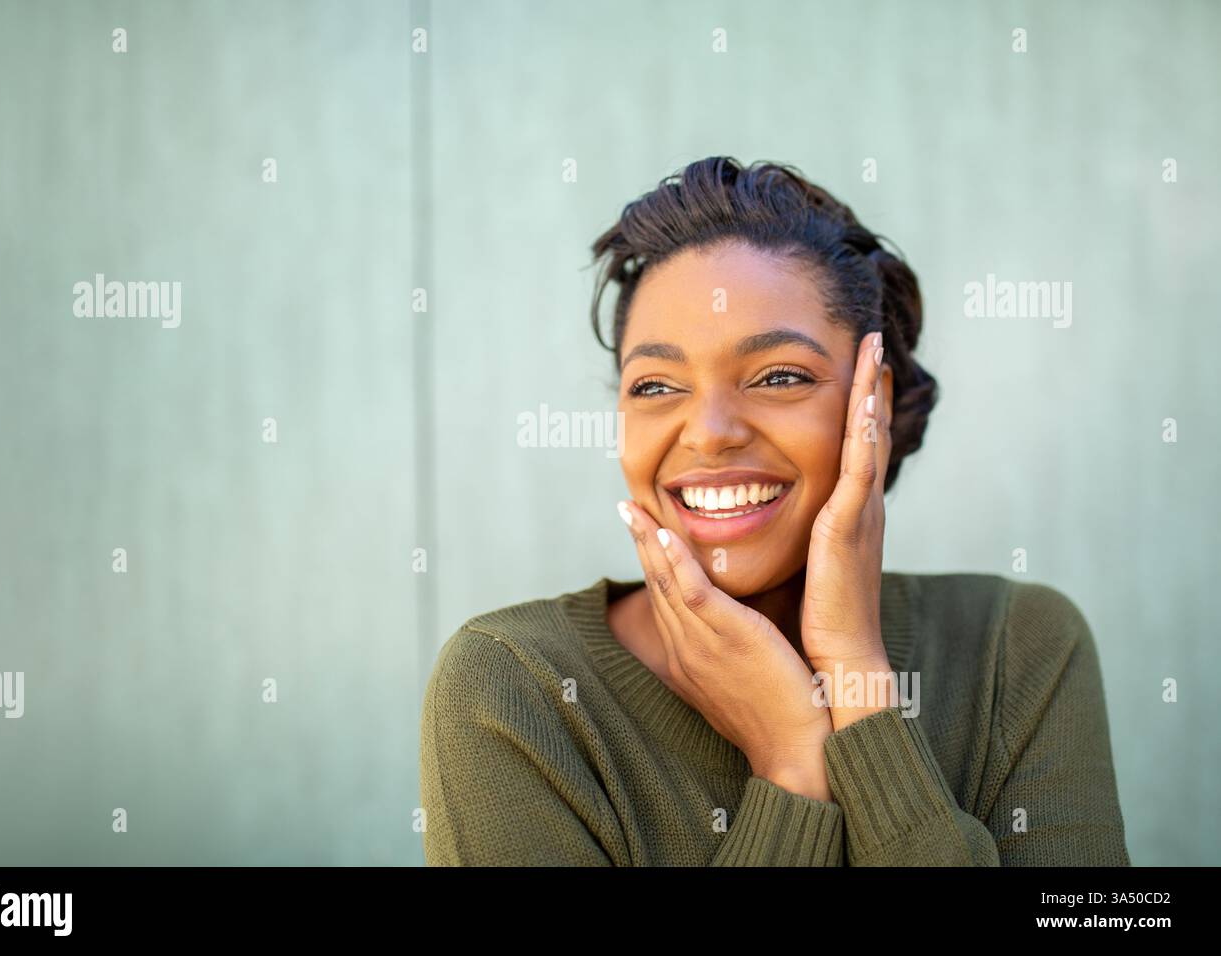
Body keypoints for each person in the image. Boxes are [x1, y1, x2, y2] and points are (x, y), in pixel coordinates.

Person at [419, 156, 1131, 866]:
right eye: (657, 386)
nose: (710, 431)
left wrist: (858, 681)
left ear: (871, 401)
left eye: (779, 376)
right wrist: (790, 765)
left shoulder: (1018, 648)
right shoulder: (514, 688)